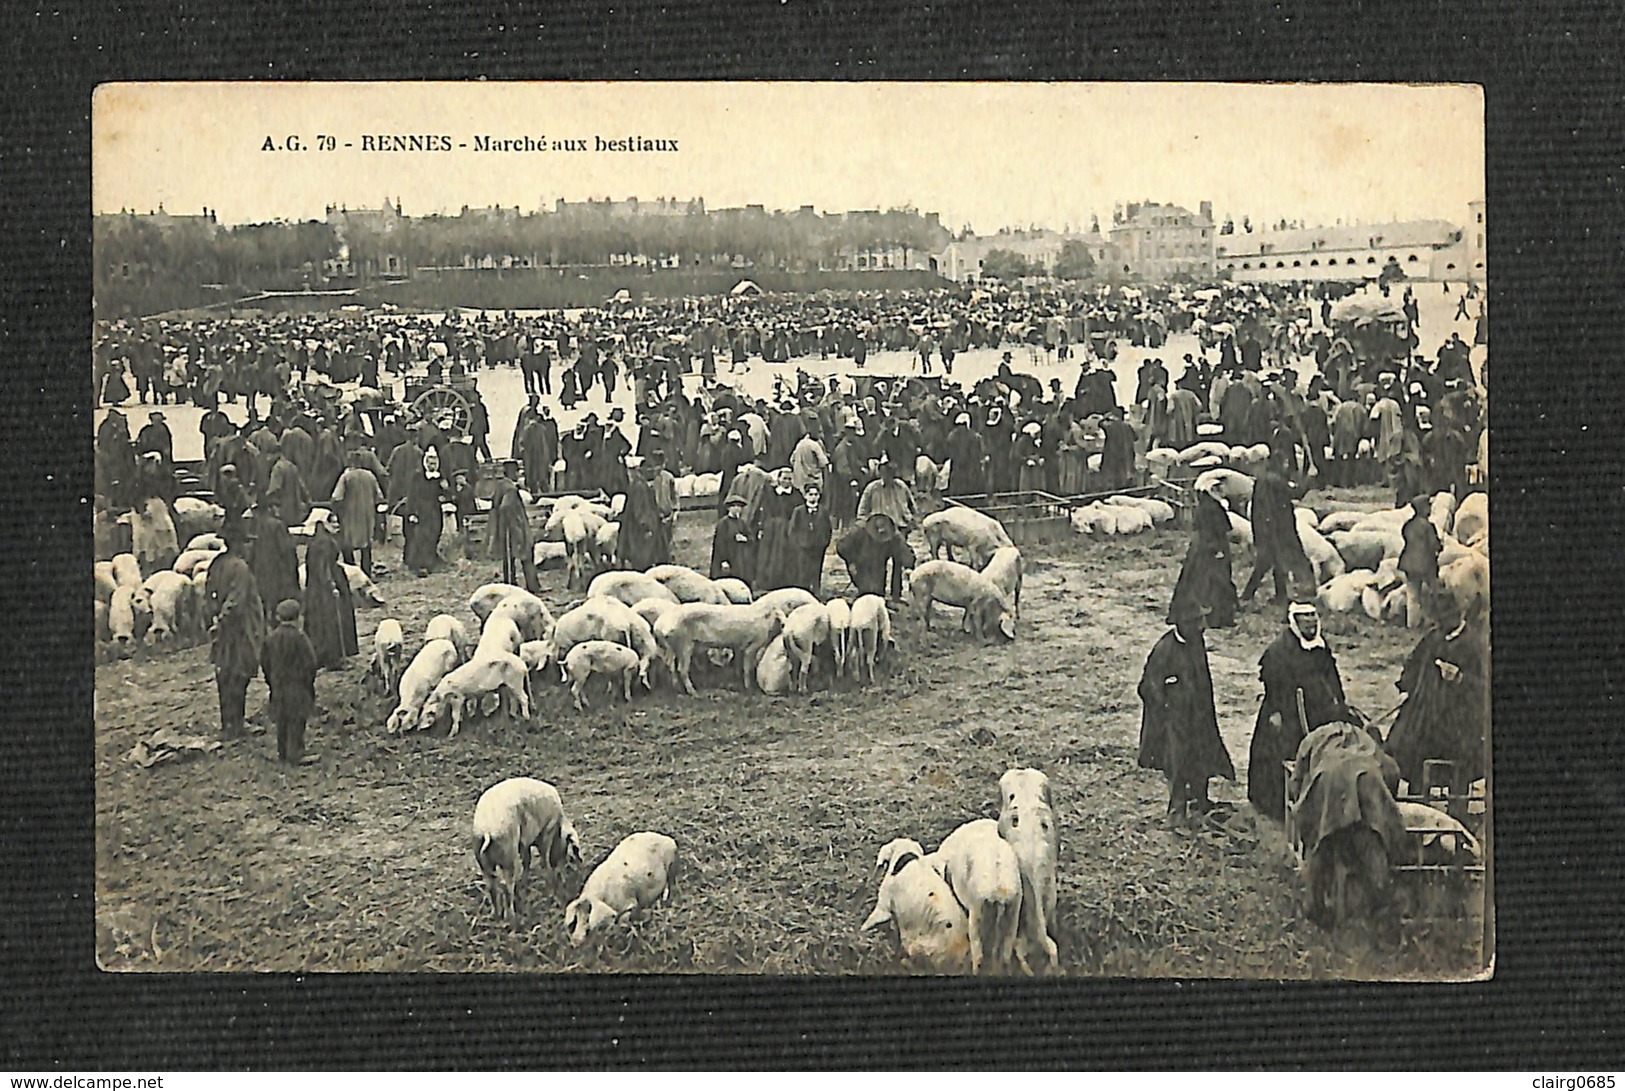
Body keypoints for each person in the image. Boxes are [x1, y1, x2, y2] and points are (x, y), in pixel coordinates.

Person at [1246, 601, 1351, 822]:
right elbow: (1273, 682)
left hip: (1318, 710)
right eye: (1305, 618)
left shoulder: (1321, 646)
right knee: (1285, 752)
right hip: (1287, 710)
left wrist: (1340, 704)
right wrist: (1276, 712)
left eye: (1313, 617)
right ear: (1295, 622)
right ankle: (1276, 806)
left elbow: (1332, 676)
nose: (1310, 623)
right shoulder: (1279, 650)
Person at [1136, 600, 1234, 828]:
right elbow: (1147, 686)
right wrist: (1167, 706)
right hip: (1175, 721)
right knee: (1177, 762)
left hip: (1199, 715)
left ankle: (1200, 800)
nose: (1203, 626)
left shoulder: (1196, 642)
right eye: (1198, 621)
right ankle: (1177, 810)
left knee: (1202, 756)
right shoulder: (1164, 649)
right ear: (1183, 623)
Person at [1384, 597, 1489, 799]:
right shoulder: (1433, 638)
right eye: (1438, 621)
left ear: (1458, 617)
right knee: (1403, 745)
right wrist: (1407, 685)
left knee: (1459, 754)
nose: (1439, 626)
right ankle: (1417, 799)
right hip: (1424, 711)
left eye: (1444, 621)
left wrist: (1460, 678)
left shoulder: (1473, 644)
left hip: (1459, 718)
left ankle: (1458, 806)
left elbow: (1484, 689)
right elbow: (1412, 664)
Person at [1241, 446, 1312, 609]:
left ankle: (1275, 595)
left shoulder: (1264, 480)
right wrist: (1309, 480)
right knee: (1272, 561)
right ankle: (1251, 594)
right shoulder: (1274, 480)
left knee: (1271, 562)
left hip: (1267, 527)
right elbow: (1296, 493)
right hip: (1277, 528)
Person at [205, 551, 266, 742]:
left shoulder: (217, 563)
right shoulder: (240, 568)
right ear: (241, 542)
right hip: (240, 629)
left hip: (223, 629)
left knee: (224, 672)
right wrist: (223, 619)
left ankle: (228, 723)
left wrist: (213, 618)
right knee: (239, 673)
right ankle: (236, 725)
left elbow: (208, 595)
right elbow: (236, 602)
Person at [1167, 478, 1237, 628]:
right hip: (1211, 547)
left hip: (1204, 547)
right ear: (1211, 490)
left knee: (1200, 580)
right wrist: (1216, 549)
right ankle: (1215, 617)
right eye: (1218, 488)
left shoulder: (1209, 505)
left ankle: (1205, 614)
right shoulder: (1211, 508)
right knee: (1214, 581)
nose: (1222, 491)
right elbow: (1212, 530)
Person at [261, 598, 319, 765]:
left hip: (278, 687)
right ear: (297, 618)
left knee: (282, 721)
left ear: (278, 618)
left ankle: (283, 753)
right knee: (297, 721)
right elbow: (311, 662)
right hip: (297, 687)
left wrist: (271, 681)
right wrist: (308, 682)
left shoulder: (270, 639)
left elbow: (264, 663)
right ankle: (296, 753)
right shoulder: (300, 638)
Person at [302, 509, 358, 669]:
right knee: (331, 620)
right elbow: (322, 566)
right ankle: (333, 658)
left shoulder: (318, 540)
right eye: (332, 522)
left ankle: (322, 655)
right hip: (325, 585)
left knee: (319, 620)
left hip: (316, 585)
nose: (336, 525)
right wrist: (331, 584)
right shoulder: (324, 542)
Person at [836, 512, 914, 601]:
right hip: (860, 566)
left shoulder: (895, 537)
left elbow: (904, 559)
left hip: (879, 569)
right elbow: (841, 548)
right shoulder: (858, 531)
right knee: (866, 593)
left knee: (878, 594)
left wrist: (896, 595)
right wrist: (851, 562)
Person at [487, 463, 540, 593]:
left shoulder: (501, 485)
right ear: (512, 472)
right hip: (514, 527)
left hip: (504, 527)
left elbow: (495, 505)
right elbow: (505, 506)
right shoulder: (510, 489)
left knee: (508, 556)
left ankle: (510, 583)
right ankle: (532, 586)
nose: (518, 474)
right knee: (526, 553)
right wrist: (513, 523)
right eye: (517, 472)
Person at [330, 449, 384, 576]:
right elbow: (379, 497)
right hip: (367, 516)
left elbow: (336, 497)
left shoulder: (346, 477)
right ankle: (366, 573)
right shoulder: (370, 476)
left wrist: (337, 513)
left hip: (350, 516)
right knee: (366, 546)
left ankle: (351, 571)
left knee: (347, 545)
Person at [245, 500, 300, 616]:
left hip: (261, 575)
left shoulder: (256, 527)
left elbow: (251, 554)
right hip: (278, 575)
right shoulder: (277, 525)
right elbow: (287, 551)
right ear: (270, 508)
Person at [752, 467, 804, 592]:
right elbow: (764, 510)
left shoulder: (796, 494)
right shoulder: (770, 493)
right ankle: (770, 581)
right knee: (770, 555)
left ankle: (787, 581)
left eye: (789, 479)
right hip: (772, 529)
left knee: (788, 555)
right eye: (784, 478)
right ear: (778, 479)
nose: (787, 481)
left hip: (790, 528)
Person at [401, 448, 450, 576]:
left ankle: (431, 561)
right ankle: (420, 565)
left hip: (435, 510)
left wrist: (445, 492)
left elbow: (447, 494)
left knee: (435, 535)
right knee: (421, 537)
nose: (431, 465)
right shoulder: (417, 477)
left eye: (434, 462)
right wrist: (412, 512)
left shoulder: (440, 477)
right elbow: (412, 495)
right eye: (429, 462)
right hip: (421, 510)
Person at [786, 481, 833, 594]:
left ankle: (816, 593)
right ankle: (804, 593)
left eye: (816, 494)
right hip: (803, 547)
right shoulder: (798, 511)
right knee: (803, 572)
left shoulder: (823, 511)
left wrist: (824, 543)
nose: (813, 497)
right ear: (805, 495)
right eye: (810, 494)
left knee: (816, 571)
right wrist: (797, 544)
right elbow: (792, 529)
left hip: (818, 547)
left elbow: (828, 529)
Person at [710, 494, 757, 585]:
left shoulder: (742, 523)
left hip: (741, 560)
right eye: (734, 506)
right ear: (728, 508)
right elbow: (719, 544)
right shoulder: (723, 524)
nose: (737, 508)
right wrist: (723, 561)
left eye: (739, 506)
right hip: (729, 558)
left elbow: (751, 539)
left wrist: (745, 539)